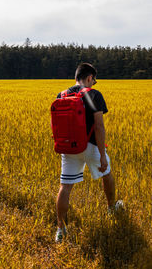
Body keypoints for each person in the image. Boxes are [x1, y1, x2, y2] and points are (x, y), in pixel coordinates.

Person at [55, 63, 123, 243]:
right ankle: (111, 208)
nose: (93, 83)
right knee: (107, 175)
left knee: (65, 187)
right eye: (94, 80)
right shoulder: (93, 94)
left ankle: (60, 229)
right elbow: (99, 127)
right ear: (89, 77)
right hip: (90, 146)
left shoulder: (61, 95)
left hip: (68, 148)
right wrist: (102, 154)